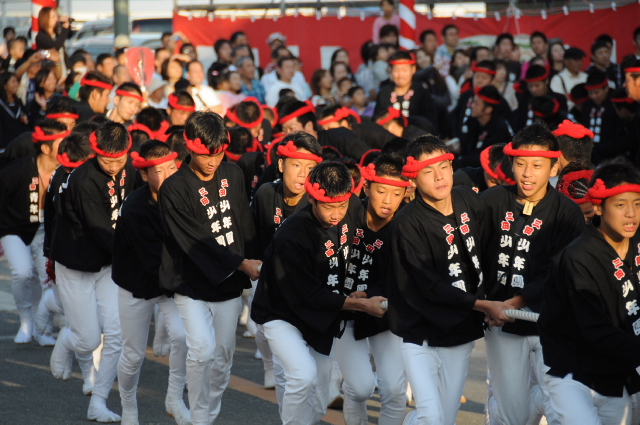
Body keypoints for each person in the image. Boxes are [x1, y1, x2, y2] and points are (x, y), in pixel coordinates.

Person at [389, 135, 513, 425]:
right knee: (432, 417)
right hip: (419, 331)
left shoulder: (468, 199)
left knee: (445, 418)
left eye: (443, 167)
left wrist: (495, 298)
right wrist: (483, 305)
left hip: (461, 329)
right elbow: (427, 284)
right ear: (413, 179)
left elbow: (489, 249)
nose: (439, 177)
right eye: (428, 171)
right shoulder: (407, 222)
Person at [251, 160, 386, 425]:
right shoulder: (291, 235)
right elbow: (309, 294)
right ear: (312, 198)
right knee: (302, 375)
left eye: (341, 206)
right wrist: (362, 305)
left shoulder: (352, 207)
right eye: (328, 206)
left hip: (323, 315)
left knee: (319, 400)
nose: (336, 214)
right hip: (282, 313)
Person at [159, 111, 260, 425]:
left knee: (223, 358)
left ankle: (207, 414)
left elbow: (244, 222)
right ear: (189, 147)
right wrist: (241, 262)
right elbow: (195, 240)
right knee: (202, 350)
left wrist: (255, 259)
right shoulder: (174, 187)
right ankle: (200, 418)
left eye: (218, 154)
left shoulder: (233, 173)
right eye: (205, 155)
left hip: (228, 282)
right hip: (190, 280)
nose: (213, 161)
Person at [481, 124, 586, 425]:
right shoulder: (491, 201)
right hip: (501, 321)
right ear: (511, 163)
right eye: (521, 164)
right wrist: (482, 303)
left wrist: (517, 301)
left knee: (558, 405)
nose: (527, 174)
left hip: (549, 323)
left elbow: (558, 270)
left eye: (537, 165)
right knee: (512, 414)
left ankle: (543, 397)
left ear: (554, 167)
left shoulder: (568, 213)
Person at [539, 163, 640, 424]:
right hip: (574, 375)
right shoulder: (578, 256)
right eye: (620, 205)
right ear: (598, 207)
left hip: (618, 373)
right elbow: (597, 331)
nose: (631, 213)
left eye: (637, 204)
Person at [50, 122, 137, 422]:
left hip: (109, 264)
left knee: (116, 333)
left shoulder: (131, 168)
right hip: (76, 264)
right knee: (88, 340)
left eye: (119, 160)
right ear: (95, 151)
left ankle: (98, 401)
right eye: (106, 160)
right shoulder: (84, 179)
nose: (113, 166)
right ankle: (67, 339)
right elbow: (101, 231)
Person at [112, 141, 190, 425]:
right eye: (159, 171)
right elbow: (154, 261)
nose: (168, 175)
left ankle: (174, 399)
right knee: (133, 354)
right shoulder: (135, 207)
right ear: (144, 175)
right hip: (137, 283)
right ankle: (129, 409)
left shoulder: (184, 195)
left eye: (172, 168)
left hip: (172, 281)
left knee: (183, 336)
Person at [337, 154, 409, 425]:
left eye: (396, 193)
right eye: (381, 191)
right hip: (343, 311)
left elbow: (401, 276)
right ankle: (353, 405)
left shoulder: (406, 226)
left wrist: (367, 293)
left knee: (394, 389)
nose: (388, 200)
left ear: (406, 193)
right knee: (360, 388)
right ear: (366, 187)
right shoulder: (345, 212)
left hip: (383, 312)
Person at [250, 133, 323, 388]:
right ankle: (268, 364)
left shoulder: (317, 203)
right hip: (268, 277)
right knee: (260, 330)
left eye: (310, 168)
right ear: (281, 165)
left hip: (304, 282)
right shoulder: (265, 194)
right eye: (296, 165)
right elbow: (254, 236)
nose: (303, 174)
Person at [0, 120, 69, 345]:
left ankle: (43, 330)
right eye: (62, 143)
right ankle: (26, 321)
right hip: (13, 229)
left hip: (45, 230)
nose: (67, 147)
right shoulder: (18, 170)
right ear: (46, 147)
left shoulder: (66, 172)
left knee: (47, 278)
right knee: (23, 272)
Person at [375, 51, 439, 133]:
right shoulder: (384, 92)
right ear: (390, 70)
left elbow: (430, 121)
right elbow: (378, 120)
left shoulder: (421, 92)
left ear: (413, 69)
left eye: (405, 70)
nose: (400, 75)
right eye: (396, 70)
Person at [459, 85, 513, 167]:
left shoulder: (499, 129)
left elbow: (487, 157)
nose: (472, 106)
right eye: (473, 102)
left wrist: (459, 162)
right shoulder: (473, 122)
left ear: (488, 109)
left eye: (476, 103)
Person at [513, 65, 568, 132]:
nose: (533, 90)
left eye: (537, 85)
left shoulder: (559, 99)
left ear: (546, 81)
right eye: (530, 86)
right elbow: (520, 122)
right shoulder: (525, 99)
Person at [579, 71, 619, 161]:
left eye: (596, 92)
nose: (593, 96)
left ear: (606, 88)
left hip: (611, 155)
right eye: (590, 93)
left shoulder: (614, 105)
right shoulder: (587, 106)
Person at [0, 72, 30, 148]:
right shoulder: (1, 105)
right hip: (4, 146)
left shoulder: (19, 102)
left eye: (17, 81)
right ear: (5, 85)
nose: (17, 84)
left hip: (20, 144)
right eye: (13, 82)